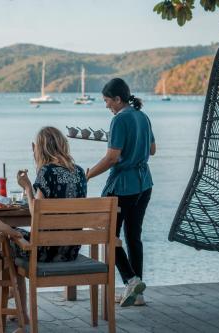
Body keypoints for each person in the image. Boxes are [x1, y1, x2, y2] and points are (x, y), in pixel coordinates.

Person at [86, 78, 156, 307]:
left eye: (107, 101)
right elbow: (152, 150)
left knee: (108, 237)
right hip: (144, 183)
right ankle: (138, 293)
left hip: (124, 186)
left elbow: (112, 158)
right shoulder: (142, 116)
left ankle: (131, 280)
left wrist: (87, 175)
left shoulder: (119, 119)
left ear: (117, 99)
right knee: (133, 237)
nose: (106, 105)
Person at [12, 126, 87, 320]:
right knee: (13, 236)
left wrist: (27, 187)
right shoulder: (79, 172)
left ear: (40, 148)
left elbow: (35, 213)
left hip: (47, 251)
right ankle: (19, 309)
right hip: (71, 249)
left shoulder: (46, 171)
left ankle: (20, 312)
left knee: (9, 235)